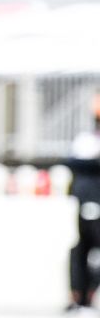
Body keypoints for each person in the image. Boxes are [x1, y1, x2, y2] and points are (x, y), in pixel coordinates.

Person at [68, 129, 100, 312]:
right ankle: (79, 295)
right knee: (79, 251)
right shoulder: (87, 139)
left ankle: (91, 293)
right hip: (82, 206)